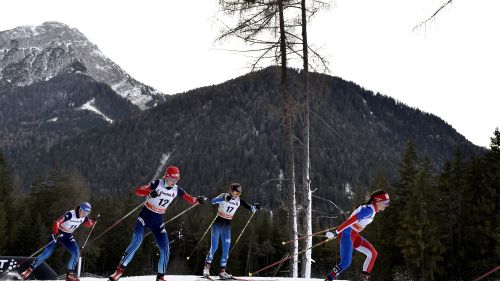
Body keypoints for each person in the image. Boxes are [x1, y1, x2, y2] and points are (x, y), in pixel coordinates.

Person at [108, 166, 206, 281]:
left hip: (158, 221)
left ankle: (160, 276)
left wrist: (198, 200)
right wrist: (150, 192)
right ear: (166, 176)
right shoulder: (156, 184)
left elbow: (190, 199)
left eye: (176, 180)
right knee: (137, 241)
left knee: (165, 248)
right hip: (144, 217)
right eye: (172, 179)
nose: (174, 182)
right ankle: (118, 272)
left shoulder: (177, 189)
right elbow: (138, 191)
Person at [324, 190, 390, 281]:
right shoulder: (369, 210)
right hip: (347, 234)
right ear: (378, 201)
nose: (387, 205)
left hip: (354, 235)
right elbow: (351, 221)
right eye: (386, 203)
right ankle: (329, 278)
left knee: (372, 253)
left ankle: (363, 279)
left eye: (388, 203)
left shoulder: (372, 210)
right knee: (346, 263)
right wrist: (336, 232)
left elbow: (353, 220)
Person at [21, 202, 96, 281]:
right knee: (46, 254)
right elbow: (57, 222)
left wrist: (93, 221)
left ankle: (70, 275)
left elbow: (87, 224)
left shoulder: (84, 217)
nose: (84, 214)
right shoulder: (70, 214)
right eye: (84, 212)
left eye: (87, 213)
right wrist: (56, 233)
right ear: (80, 209)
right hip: (58, 233)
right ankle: (28, 271)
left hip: (68, 236)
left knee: (76, 253)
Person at [203, 182, 260, 279]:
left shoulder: (238, 201)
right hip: (218, 223)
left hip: (227, 225)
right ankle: (206, 268)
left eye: (239, 193)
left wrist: (255, 207)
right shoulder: (224, 195)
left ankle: (222, 271)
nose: (238, 195)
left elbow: (250, 208)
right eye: (236, 193)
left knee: (226, 249)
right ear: (231, 191)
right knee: (214, 247)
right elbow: (213, 201)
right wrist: (223, 199)